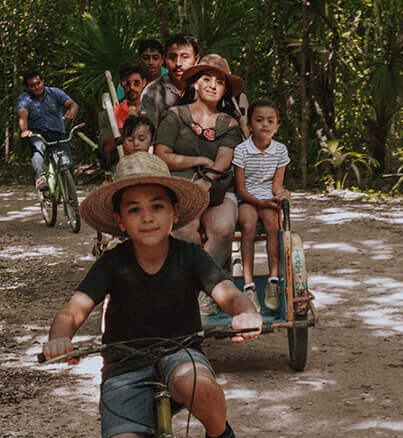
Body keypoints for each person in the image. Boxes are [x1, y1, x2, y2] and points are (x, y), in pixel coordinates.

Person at [42, 152, 262, 438]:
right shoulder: (112, 264)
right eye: (134, 209)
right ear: (121, 221)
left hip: (180, 351)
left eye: (157, 206)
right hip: (124, 364)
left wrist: (245, 313)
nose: (147, 217)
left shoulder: (190, 257)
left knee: (195, 383)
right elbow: (73, 311)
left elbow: (228, 294)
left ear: (174, 212)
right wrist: (59, 338)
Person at [154, 54, 245, 315]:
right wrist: (198, 159)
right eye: (207, 78)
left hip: (217, 188)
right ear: (195, 83)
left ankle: (203, 292)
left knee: (224, 229)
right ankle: (192, 291)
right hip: (179, 187)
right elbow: (162, 155)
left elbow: (224, 160)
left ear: (226, 90)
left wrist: (205, 182)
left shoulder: (230, 123)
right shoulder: (174, 116)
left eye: (220, 81)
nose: (213, 85)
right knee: (185, 232)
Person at [233, 99, 290, 311]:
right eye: (259, 120)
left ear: (276, 126)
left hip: (267, 196)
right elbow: (240, 189)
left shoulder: (280, 150)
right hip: (247, 197)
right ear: (249, 125)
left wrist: (280, 194)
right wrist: (260, 202)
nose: (264, 125)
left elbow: (276, 185)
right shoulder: (241, 150)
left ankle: (273, 280)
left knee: (272, 224)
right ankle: (248, 285)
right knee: (248, 225)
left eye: (270, 121)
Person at [16, 71, 78, 195]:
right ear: (28, 88)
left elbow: (72, 103)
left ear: (42, 82)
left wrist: (72, 110)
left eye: (38, 83)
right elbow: (22, 113)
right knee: (37, 150)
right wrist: (25, 130)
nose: (36, 87)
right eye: (32, 85)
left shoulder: (54, 93)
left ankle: (70, 199)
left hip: (58, 134)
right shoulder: (25, 98)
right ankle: (41, 178)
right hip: (37, 134)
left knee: (67, 164)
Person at [139, 33, 201, 128]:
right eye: (172, 57)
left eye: (185, 57)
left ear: (196, 60)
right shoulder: (151, 93)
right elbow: (148, 133)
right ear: (165, 60)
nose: (178, 63)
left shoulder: (206, 88)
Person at [101, 63, 147, 161]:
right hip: (124, 165)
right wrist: (127, 127)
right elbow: (106, 148)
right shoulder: (111, 113)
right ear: (121, 84)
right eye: (127, 83)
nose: (132, 87)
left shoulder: (154, 108)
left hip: (151, 162)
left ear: (144, 82)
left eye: (136, 83)